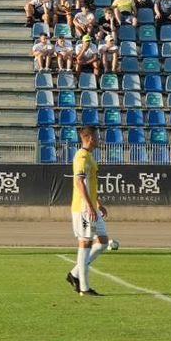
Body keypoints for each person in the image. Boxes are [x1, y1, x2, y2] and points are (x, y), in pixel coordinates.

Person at [64, 125, 108, 296]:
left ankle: (74, 274)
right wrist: (89, 206)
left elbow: (90, 184)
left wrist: (98, 203)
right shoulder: (81, 156)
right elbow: (79, 183)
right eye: (96, 136)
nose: (98, 139)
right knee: (85, 243)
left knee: (103, 242)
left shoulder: (89, 156)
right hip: (83, 208)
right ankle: (84, 287)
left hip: (91, 207)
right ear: (89, 138)